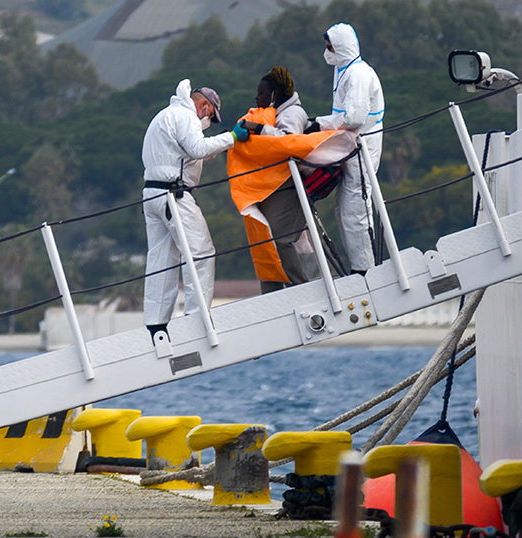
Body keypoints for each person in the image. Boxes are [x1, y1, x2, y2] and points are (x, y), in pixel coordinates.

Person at [142, 79, 251, 339]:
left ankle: (156, 325)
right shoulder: (187, 116)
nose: (208, 122)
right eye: (210, 116)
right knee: (201, 252)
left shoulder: (165, 115)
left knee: (162, 260)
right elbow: (197, 148)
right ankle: (196, 316)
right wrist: (232, 137)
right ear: (204, 105)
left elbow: (191, 153)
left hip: (152, 195)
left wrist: (224, 142)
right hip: (174, 194)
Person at [306, 22, 385, 275]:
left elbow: (354, 118)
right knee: (343, 209)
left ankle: (366, 270)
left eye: (330, 47)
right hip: (349, 145)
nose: (327, 52)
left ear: (341, 48)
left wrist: (320, 125)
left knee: (356, 209)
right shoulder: (344, 69)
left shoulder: (359, 75)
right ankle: (358, 265)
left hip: (362, 146)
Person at [247, 66, 311, 293]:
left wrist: (259, 130)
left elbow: (289, 142)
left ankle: (299, 288)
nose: (257, 98)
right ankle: (272, 295)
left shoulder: (292, 114)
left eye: (261, 93)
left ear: (275, 94)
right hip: (272, 187)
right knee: (264, 240)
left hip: (289, 186)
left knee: (279, 239)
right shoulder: (275, 114)